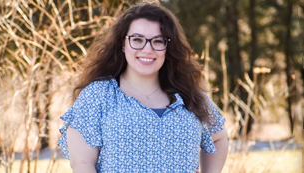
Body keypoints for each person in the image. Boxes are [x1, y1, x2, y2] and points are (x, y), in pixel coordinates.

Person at [58, 2, 228, 173]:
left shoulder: (188, 95)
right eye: (137, 39)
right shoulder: (98, 95)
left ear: (168, 48)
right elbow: (82, 164)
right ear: (122, 44)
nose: (148, 49)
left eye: (158, 41)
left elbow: (218, 138)